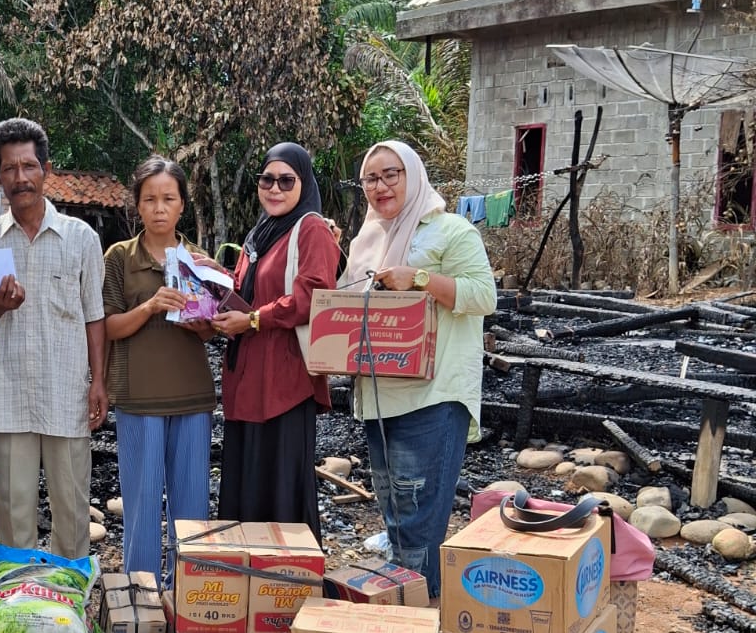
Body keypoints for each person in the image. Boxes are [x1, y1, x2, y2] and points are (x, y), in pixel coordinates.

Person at [343, 139, 496, 600]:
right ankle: (405, 610)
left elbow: (483, 295)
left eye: (392, 174)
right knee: (394, 513)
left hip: (431, 397)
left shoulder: (451, 231)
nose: (381, 185)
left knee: (419, 515)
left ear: (413, 175)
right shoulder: (367, 238)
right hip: (377, 394)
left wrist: (422, 279)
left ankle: (419, 616)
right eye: (371, 178)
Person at [0, 117, 106, 562]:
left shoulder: (80, 238)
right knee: (13, 511)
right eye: (10, 169)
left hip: (66, 392)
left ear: (46, 170)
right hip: (10, 398)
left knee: (71, 509)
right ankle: (17, 603)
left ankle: (69, 601)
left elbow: (95, 316)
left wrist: (98, 382)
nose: (21, 178)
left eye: (29, 166)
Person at [213, 143, 339, 537]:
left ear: (304, 183)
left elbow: (313, 295)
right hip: (249, 376)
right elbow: (248, 292)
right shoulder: (259, 234)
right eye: (267, 179)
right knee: (247, 474)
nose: (275, 188)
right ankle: (244, 579)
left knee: (279, 481)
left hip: (285, 380)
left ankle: (286, 580)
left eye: (287, 180)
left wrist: (251, 320)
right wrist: (212, 276)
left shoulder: (311, 228)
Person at [103, 157, 214, 581]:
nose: (159, 208)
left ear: (182, 205)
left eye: (169, 198)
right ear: (138, 205)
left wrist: (205, 317)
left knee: (192, 514)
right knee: (142, 506)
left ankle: (188, 599)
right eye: (150, 199)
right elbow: (110, 327)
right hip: (138, 398)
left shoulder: (198, 262)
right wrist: (151, 305)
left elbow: (208, 334)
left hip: (193, 396)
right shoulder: (119, 258)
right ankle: (141, 600)